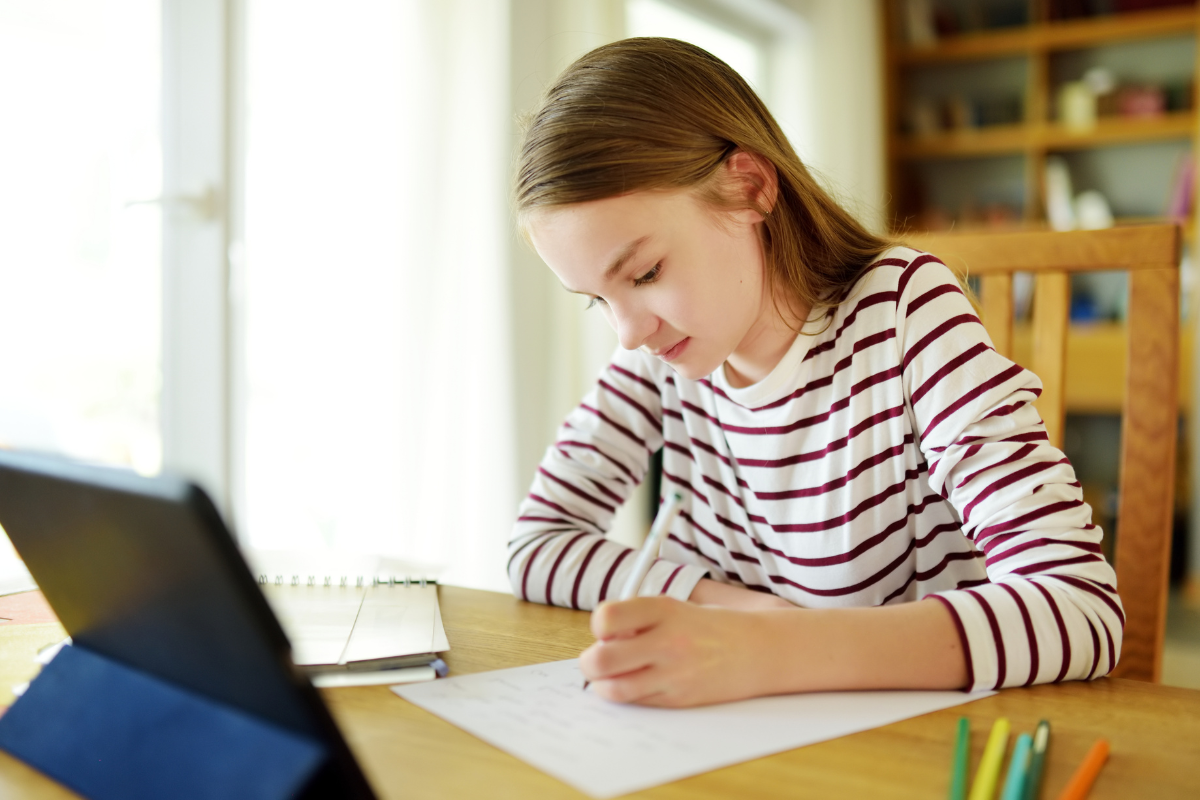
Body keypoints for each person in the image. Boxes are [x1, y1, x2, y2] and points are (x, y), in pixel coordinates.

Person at [507, 38, 1123, 708]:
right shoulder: (663, 359)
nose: (628, 334)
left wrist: (765, 650)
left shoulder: (902, 312)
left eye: (646, 273)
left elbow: (1080, 608)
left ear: (749, 187)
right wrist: (740, 614)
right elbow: (535, 546)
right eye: (598, 300)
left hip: (906, 743)